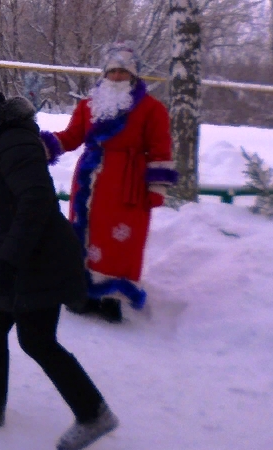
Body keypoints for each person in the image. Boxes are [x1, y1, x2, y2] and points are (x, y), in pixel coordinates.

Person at [0, 79, 118, 450]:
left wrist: (8, 260)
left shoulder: (16, 144)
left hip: (39, 260)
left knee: (37, 340)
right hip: (10, 257)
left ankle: (93, 413)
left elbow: (35, 204)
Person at [41, 41, 178, 323]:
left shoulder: (152, 109)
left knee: (121, 240)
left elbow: (160, 148)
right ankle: (85, 290)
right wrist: (41, 147)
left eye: (123, 72)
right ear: (104, 73)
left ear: (134, 75)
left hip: (128, 185)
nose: (116, 76)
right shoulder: (88, 106)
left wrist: (156, 187)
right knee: (85, 235)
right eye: (112, 71)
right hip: (89, 184)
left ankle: (113, 296)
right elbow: (71, 136)